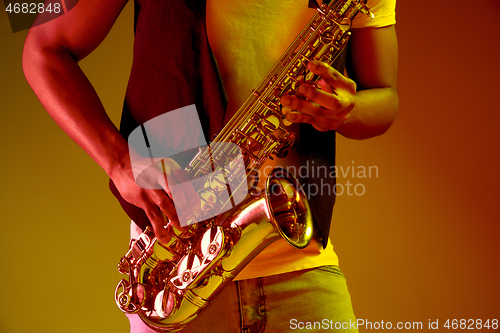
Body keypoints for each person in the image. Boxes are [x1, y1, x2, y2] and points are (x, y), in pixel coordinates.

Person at [23, 0, 398, 332]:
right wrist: (119, 161)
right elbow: (43, 45)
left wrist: (349, 110)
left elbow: (384, 96)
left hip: (300, 263)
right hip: (174, 270)